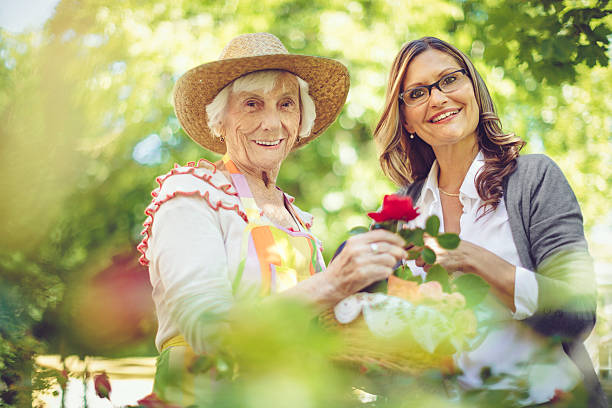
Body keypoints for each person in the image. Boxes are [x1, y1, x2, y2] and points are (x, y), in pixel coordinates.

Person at [137, 32, 407, 406]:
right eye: (252, 104)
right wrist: (331, 284)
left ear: (301, 119)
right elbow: (209, 330)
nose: (271, 123)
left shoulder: (298, 220)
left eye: (285, 104)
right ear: (220, 118)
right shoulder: (191, 195)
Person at [373, 36, 606, 407]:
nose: (437, 98)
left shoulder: (534, 179)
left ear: (474, 89)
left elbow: (577, 314)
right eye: (417, 93)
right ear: (406, 119)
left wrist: (473, 259)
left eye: (449, 79)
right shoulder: (400, 211)